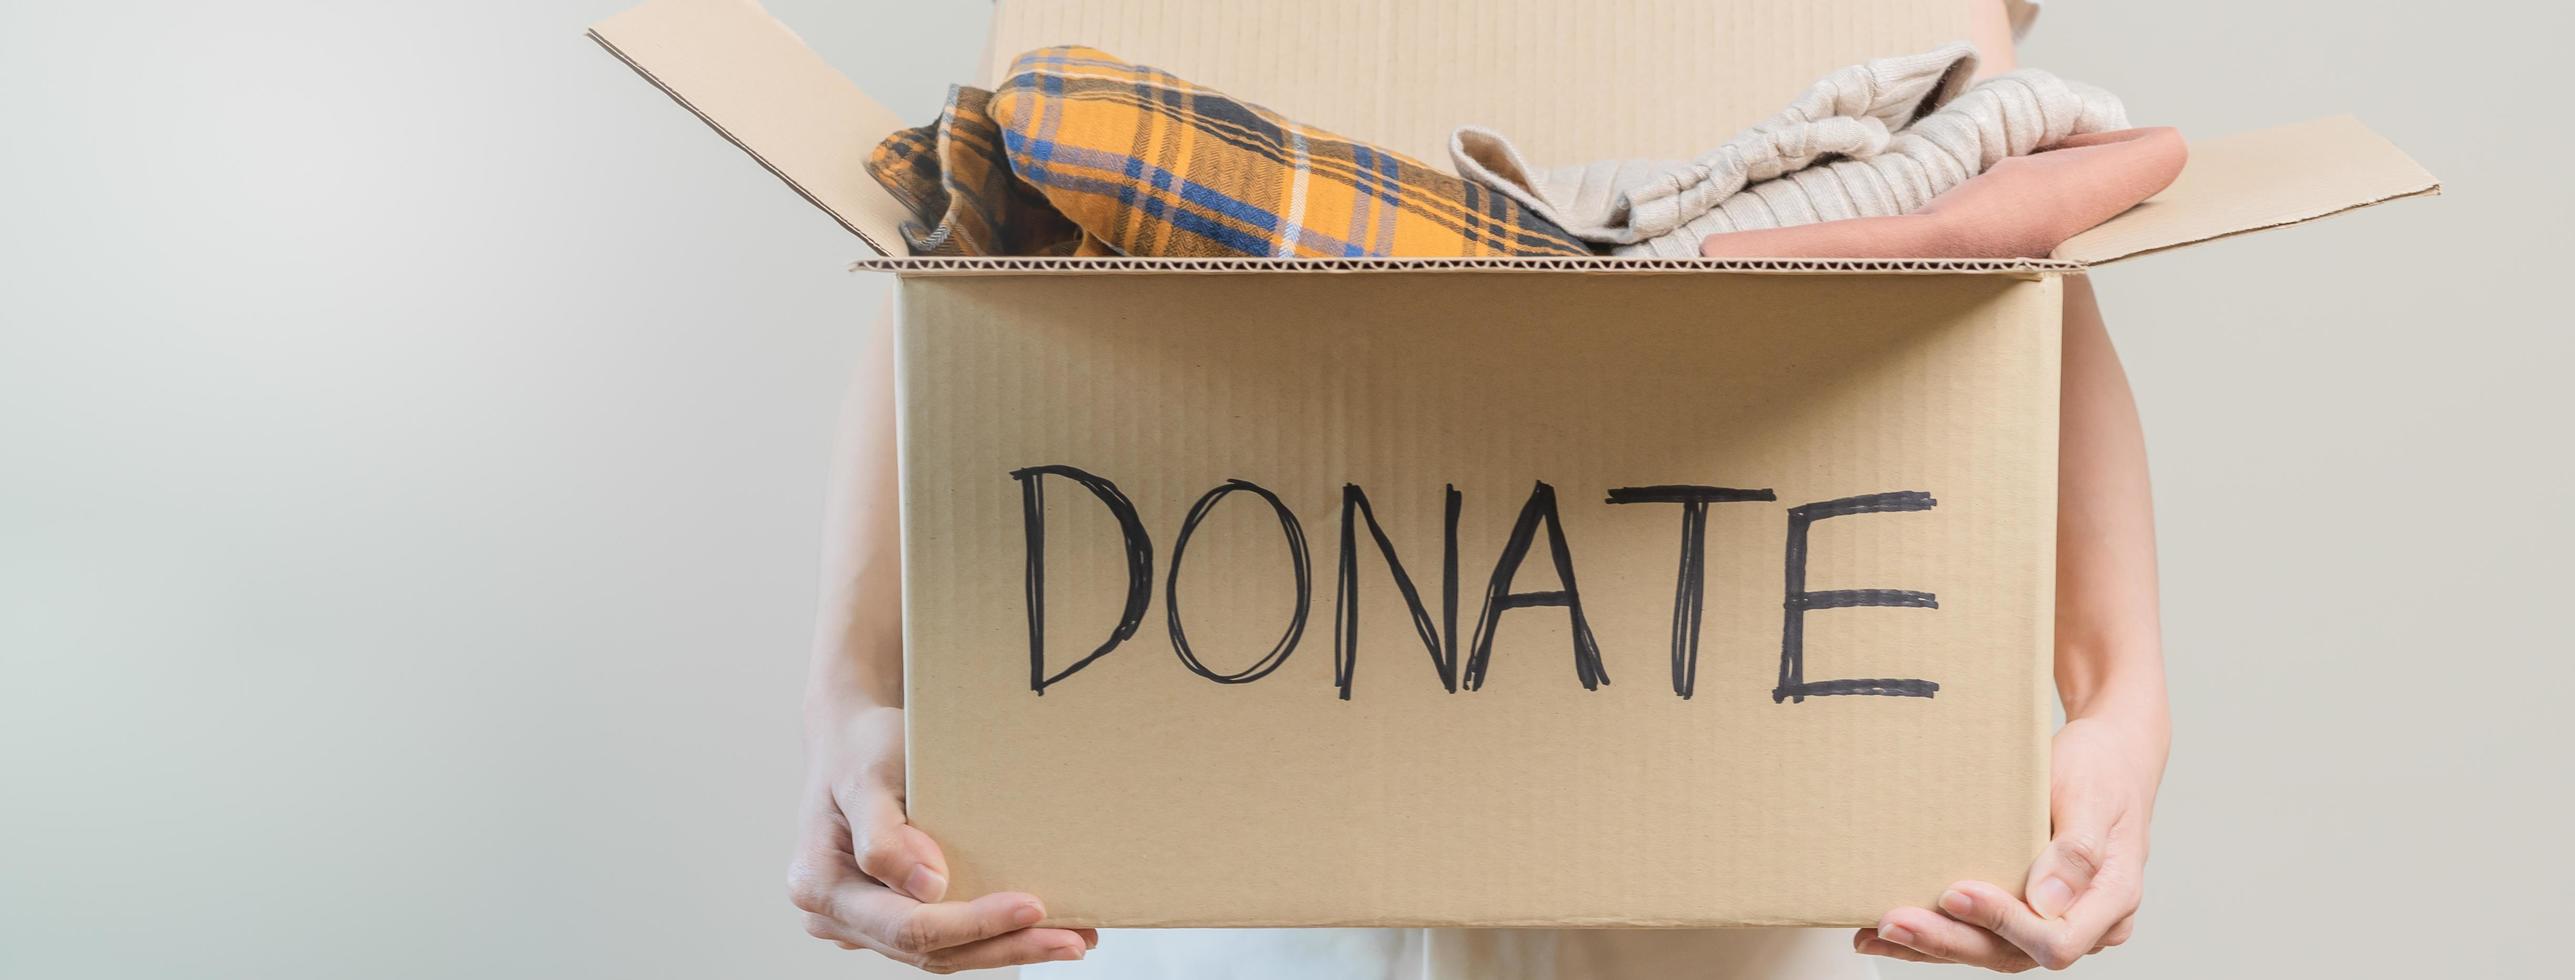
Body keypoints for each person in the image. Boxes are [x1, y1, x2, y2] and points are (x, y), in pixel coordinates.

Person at [787, 1, 2167, 973]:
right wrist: (855, 691)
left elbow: (2014, 252)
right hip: (1221, 828)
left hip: (1719, 841)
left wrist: (2122, 694)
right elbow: (973, 259)